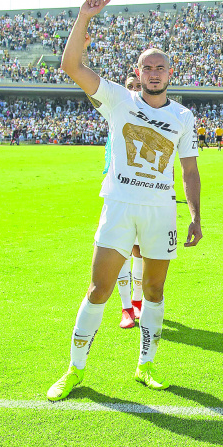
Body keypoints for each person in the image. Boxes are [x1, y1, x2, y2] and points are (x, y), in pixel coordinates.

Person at [47, 0, 202, 402]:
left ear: (171, 72)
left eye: (160, 67)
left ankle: (145, 365)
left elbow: (189, 170)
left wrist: (196, 217)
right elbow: (71, 66)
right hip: (118, 206)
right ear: (138, 72)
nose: (153, 73)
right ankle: (74, 370)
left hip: (160, 213)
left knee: (153, 291)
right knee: (99, 289)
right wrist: (84, 17)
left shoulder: (183, 117)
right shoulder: (118, 98)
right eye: (147, 68)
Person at [97, 69, 146, 330]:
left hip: (147, 193)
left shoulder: (155, 112)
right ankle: (126, 308)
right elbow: (90, 91)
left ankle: (138, 303)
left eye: (138, 85)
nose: (134, 89)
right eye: (130, 85)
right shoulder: (116, 107)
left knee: (140, 251)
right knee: (122, 251)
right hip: (120, 191)